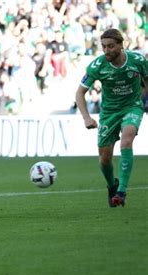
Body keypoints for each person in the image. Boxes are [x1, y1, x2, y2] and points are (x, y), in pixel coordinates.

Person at [75, 28, 148, 208]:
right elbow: (80, 93)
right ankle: (112, 185)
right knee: (104, 160)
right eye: (103, 46)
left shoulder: (138, 60)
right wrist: (86, 117)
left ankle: (121, 192)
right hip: (108, 113)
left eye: (110, 46)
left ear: (121, 45)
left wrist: (142, 97)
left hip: (132, 107)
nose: (106, 50)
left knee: (126, 141)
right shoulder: (97, 66)